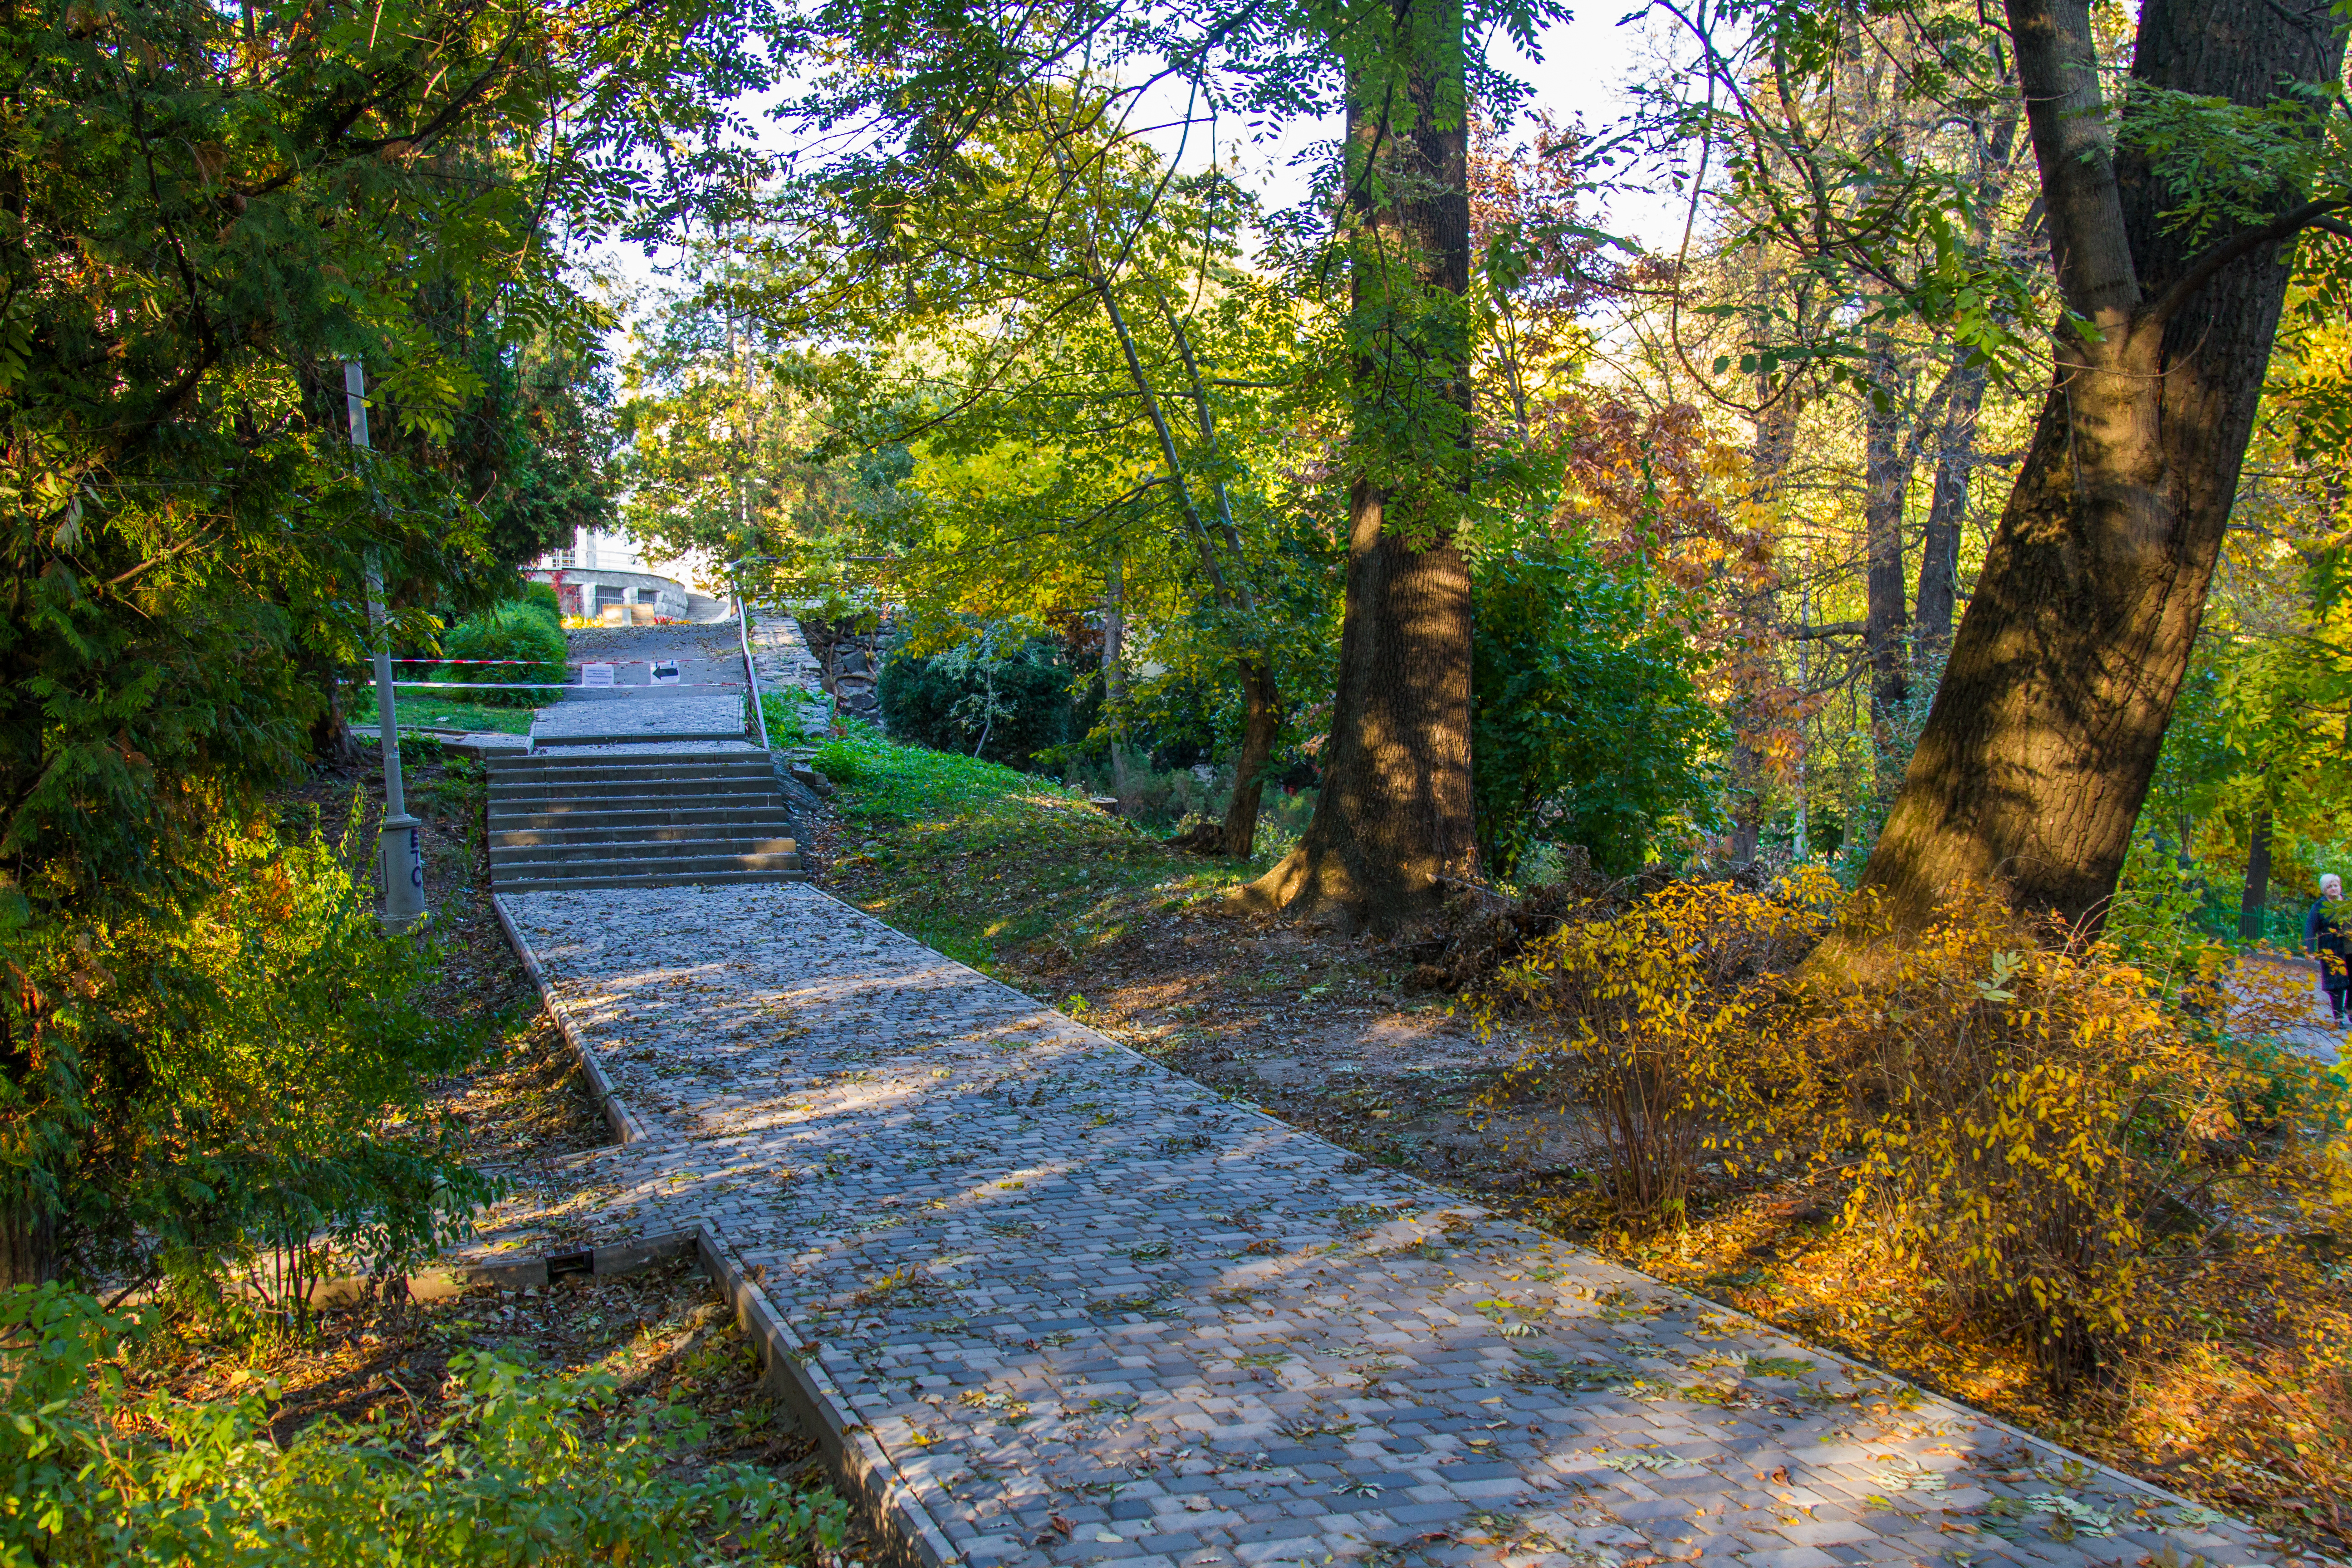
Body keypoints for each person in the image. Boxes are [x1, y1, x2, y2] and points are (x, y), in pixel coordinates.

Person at [2305, 873, 2349, 1026]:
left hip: (2350, 949)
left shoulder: (2348, 903)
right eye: (2330, 886)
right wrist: (2310, 951)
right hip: (2331, 950)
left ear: (2340, 887)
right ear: (2324, 890)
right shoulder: (2319, 906)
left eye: (2336, 885)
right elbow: (2310, 928)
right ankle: (2339, 1017)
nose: (2334, 889)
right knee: (2336, 984)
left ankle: (2350, 1008)